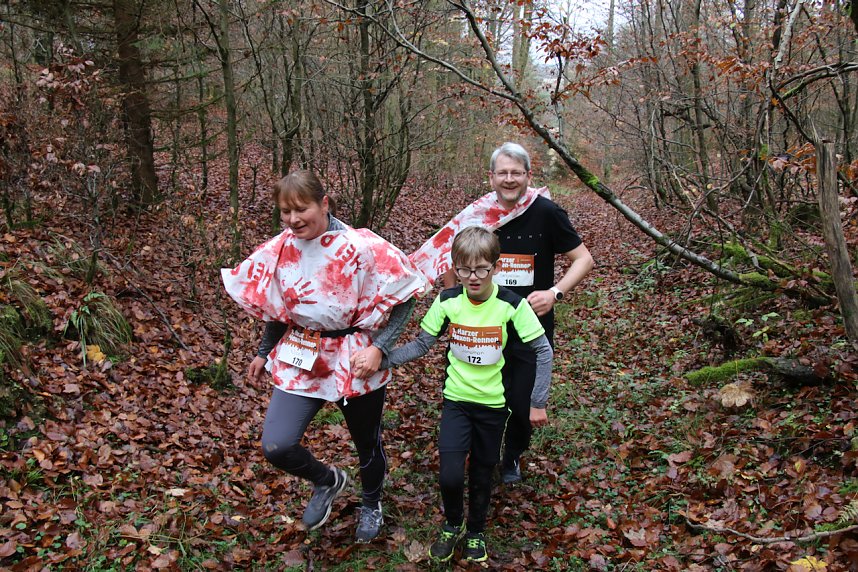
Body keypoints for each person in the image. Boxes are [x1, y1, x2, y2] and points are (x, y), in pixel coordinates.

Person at [221, 170, 428, 543]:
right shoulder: (280, 248)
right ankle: (327, 480)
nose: (292, 219)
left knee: (367, 442)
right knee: (277, 444)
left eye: (301, 209)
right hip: (302, 353)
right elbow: (278, 307)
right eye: (285, 212)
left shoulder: (362, 245)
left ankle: (371, 502)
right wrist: (263, 352)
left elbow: (405, 294)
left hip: (354, 356)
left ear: (324, 203)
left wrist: (379, 348)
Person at [409, 142, 593, 484]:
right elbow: (449, 259)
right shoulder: (475, 216)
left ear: (528, 176)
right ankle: (481, 455)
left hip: (528, 325)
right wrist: (453, 299)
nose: (509, 180)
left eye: (516, 173)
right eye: (502, 173)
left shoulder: (548, 212)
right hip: (478, 326)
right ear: (491, 177)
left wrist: (555, 293)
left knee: (521, 406)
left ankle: (512, 456)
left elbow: (584, 259)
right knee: (475, 399)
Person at [371, 226, 553, 562]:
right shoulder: (447, 301)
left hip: (493, 406)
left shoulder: (512, 306)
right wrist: (382, 359)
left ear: (495, 268)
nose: (473, 277)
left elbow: (543, 350)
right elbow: (422, 343)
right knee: (451, 474)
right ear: (455, 268)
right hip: (457, 402)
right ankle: (453, 524)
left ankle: (476, 532)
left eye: (482, 269)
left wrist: (537, 401)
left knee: (483, 473)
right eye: (465, 269)